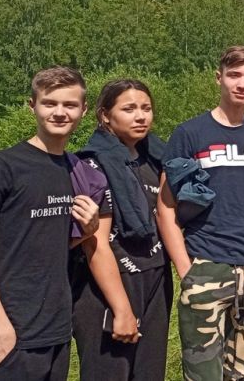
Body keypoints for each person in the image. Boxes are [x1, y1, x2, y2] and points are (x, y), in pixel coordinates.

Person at [0, 66, 100, 380]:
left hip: (55, 328)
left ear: (84, 110)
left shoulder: (73, 169)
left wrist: (88, 231)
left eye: (69, 104)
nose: (59, 112)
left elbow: (43, 242)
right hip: (10, 332)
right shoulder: (2, 166)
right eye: (49, 103)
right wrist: (1, 330)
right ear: (32, 106)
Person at [156, 45, 244, 380]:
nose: (242, 83)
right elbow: (165, 207)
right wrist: (186, 269)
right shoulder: (189, 134)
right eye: (234, 75)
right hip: (208, 263)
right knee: (203, 373)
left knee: (241, 372)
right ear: (219, 78)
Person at [71, 79, 171, 380]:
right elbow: (94, 243)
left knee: (149, 374)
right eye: (129, 109)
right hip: (107, 288)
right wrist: (122, 309)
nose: (140, 116)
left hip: (155, 280)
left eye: (146, 108)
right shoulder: (91, 167)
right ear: (105, 115)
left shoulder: (158, 160)